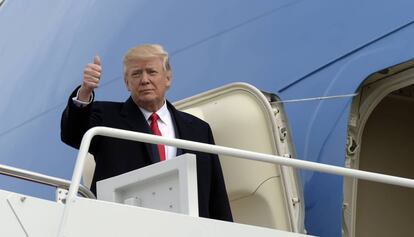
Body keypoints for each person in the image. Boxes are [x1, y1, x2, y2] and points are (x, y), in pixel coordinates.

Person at [61, 44, 233, 222]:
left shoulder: (198, 130)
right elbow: (72, 134)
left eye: (151, 72)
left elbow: (216, 197)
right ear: (127, 83)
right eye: (136, 74)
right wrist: (84, 92)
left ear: (168, 78)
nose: (144, 80)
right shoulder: (105, 117)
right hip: (122, 226)